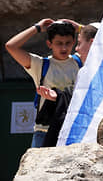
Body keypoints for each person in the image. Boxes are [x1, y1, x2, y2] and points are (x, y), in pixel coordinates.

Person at [5, 19, 82, 147]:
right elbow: (11, 46)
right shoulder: (40, 64)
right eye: (59, 43)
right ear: (49, 44)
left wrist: (80, 28)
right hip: (45, 130)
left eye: (68, 43)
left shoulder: (80, 61)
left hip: (72, 129)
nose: (64, 47)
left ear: (74, 42)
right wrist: (37, 27)